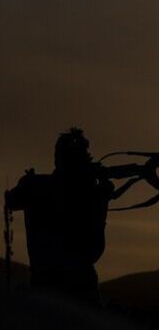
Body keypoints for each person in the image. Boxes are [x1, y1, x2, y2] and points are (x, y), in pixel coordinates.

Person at [3, 129, 133, 303]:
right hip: (74, 288)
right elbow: (93, 249)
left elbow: (12, 200)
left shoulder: (38, 186)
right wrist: (100, 195)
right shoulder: (45, 187)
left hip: (47, 287)